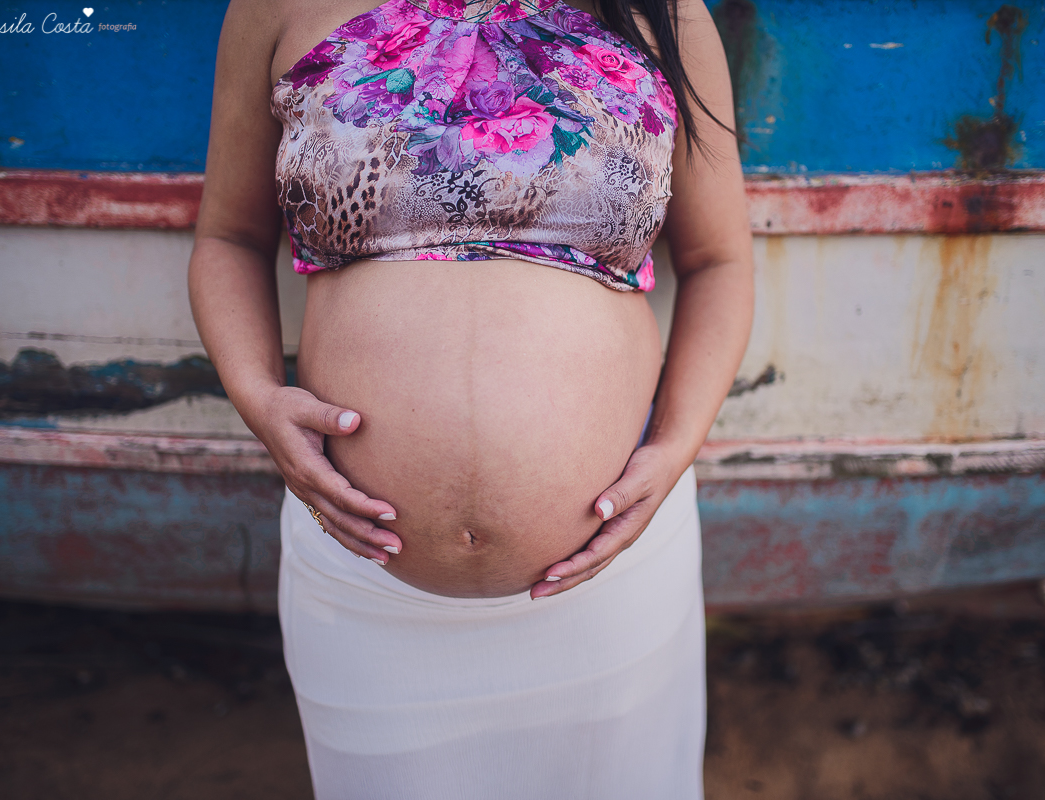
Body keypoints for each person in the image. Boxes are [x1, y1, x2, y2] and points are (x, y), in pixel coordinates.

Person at [188, 0, 753, 794]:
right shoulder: (276, 7)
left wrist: (676, 444)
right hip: (363, 581)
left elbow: (721, 259)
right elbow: (228, 238)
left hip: (611, 574)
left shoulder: (663, 13)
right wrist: (257, 398)